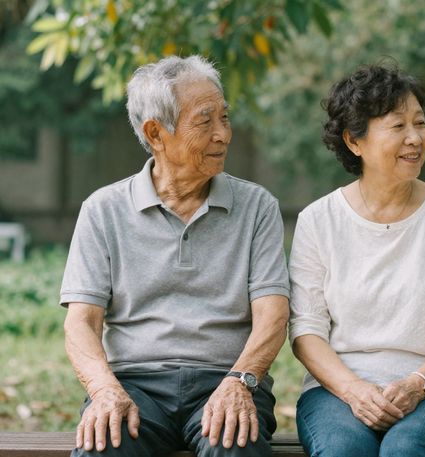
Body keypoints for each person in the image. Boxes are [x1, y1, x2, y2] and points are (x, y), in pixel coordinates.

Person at [60, 55, 290, 457]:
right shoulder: (103, 210)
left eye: (224, 118)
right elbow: (81, 322)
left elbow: (273, 315)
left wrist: (240, 381)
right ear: (156, 133)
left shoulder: (257, 207)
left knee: (234, 445)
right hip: (134, 383)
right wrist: (104, 390)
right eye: (205, 121)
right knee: (103, 446)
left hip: (227, 377)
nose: (223, 134)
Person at [288, 63, 425, 457]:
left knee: (407, 449)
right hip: (337, 391)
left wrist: (417, 385)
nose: (415, 138)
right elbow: (306, 331)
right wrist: (354, 390)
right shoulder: (318, 220)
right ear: (354, 141)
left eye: (420, 123)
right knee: (343, 450)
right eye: (398, 126)